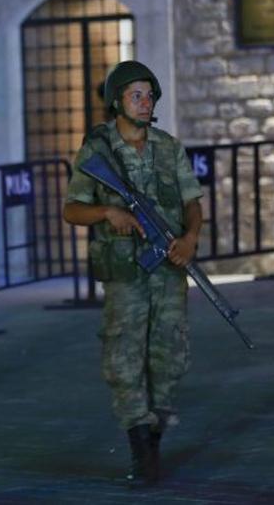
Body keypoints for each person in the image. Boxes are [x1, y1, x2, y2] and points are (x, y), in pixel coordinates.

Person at [62, 61, 203, 486]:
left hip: (169, 270)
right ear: (116, 102)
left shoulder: (167, 147)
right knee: (124, 361)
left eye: (149, 95)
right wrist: (107, 211)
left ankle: (154, 434)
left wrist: (191, 237)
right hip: (125, 274)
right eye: (136, 96)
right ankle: (140, 447)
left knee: (169, 358)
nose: (145, 103)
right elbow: (71, 209)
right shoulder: (97, 152)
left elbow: (191, 200)